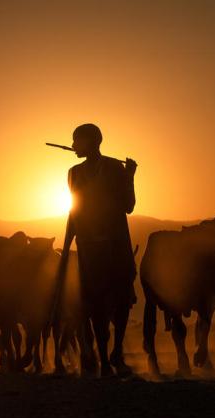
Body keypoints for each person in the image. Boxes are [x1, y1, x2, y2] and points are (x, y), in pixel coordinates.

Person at [60, 123, 137, 376]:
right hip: (89, 249)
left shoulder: (115, 168)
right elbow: (74, 211)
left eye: (76, 141)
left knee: (123, 296)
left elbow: (128, 206)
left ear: (92, 141)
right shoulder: (73, 173)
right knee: (92, 304)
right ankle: (103, 359)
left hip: (115, 245)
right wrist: (66, 245)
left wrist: (130, 177)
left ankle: (116, 352)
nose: (72, 146)